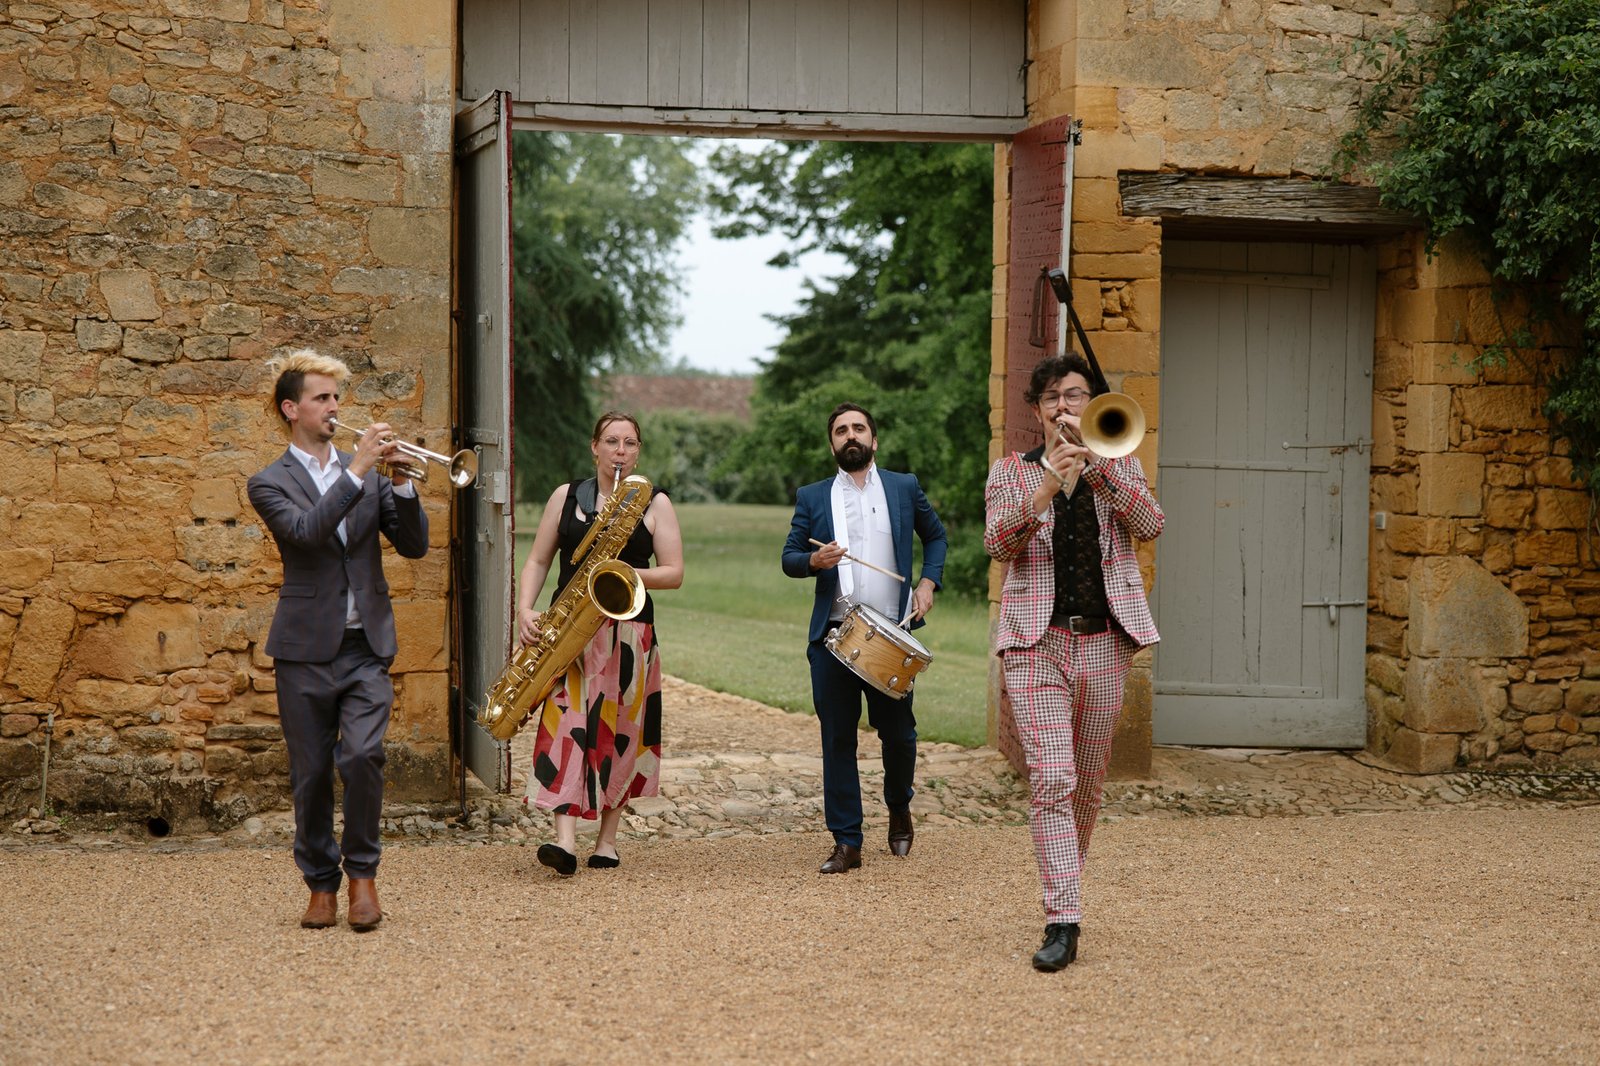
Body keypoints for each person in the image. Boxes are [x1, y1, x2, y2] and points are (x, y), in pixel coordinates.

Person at [984, 353, 1164, 971]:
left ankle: (1066, 883)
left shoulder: (1120, 463)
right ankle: (1063, 917)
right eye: (1052, 397)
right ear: (1037, 411)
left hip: (1105, 644)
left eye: (1075, 395)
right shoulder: (1011, 473)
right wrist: (1045, 488)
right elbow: (997, 543)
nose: (1064, 406)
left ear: (1092, 405)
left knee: (1085, 786)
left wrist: (1100, 467)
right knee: (1054, 779)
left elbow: (1151, 524)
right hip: (1036, 644)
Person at [247, 349, 429, 932]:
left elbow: (415, 546)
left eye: (335, 397)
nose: (333, 407)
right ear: (291, 408)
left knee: (363, 755)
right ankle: (321, 884)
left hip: (365, 647)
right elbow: (306, 532)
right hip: (303, 650)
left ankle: (363, 877)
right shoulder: (268, 482)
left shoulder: (368, 474)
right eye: (322, 398)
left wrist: (400, 484)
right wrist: (359, 472)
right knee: (311, 775)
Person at [782, 403, 947, 874]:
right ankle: (847, 841)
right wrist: (813, 561)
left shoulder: (903, 486)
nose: (850, 435)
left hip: (891, 636)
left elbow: (936, 537)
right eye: (841, 430)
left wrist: (927, 583)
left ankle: (899, 805)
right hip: (834, 637)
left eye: (858, 428)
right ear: (832, 443)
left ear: (874, 440)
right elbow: (790, 557)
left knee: (899, 735)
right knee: (837, 739)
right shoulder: (813, 496)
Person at [516, 411, 683, 875]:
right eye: (611, 441)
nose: (620, 451)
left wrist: (620, 572)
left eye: (630, 443)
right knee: (564, 726)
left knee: (621, 733)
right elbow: (538, 560)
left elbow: (674, 573)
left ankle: (607, 842)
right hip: (569, 631)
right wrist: (525, 609)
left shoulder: (655, 503)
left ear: (638, 452)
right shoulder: (566, 496)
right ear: (595, 447)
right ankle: (565, 842)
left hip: (630, 635)